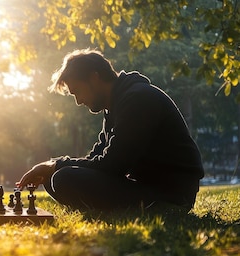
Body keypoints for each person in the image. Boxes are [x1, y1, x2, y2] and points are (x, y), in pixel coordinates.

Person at [17, 49, 204, 212]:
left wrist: (58, 165)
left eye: (78, 92)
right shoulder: (114, 107)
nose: (78, 101)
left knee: (63, 177)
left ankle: (157, 208)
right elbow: (97, 158)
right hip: (146, 186)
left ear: (94, 77)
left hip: (170, 195)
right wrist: (53, 165)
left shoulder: (138, 99)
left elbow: (113, 165)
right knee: (52, 178)